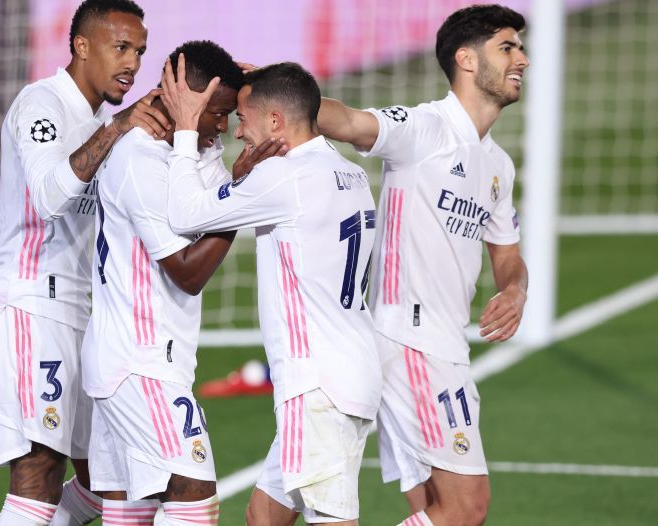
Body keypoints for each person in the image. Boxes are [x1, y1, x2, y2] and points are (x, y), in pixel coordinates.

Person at [316, 5, 530, 525]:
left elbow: (507, 254)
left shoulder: (497, 163)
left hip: (442, 345)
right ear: (466, 59)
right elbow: (347, 122)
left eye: (520, 47)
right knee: (467, 507)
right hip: (411, 343)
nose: (522, 58)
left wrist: (514, 290)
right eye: (507, 46)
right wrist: (279, 89)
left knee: (432, 509)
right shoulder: (425, 127)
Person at [0, 1, 172, 524]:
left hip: (81, 315)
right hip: (30, 302)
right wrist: (118, 129)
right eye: (121, 47)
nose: (131, 63)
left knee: (104, 482)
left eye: (140, 52)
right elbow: (48, 197)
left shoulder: (105, 121)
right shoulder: (42, 104)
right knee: (37, 473)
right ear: (81, 46)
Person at [161, 58, 382, 525]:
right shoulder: (351, 173)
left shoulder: (284, 177)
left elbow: (184, 215)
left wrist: (185, 129)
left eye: (243, 119)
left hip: (316, 386)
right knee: (264, 516)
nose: (239, 133)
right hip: (349, 372)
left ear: (276, 121)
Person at [81, 39, 282, 525]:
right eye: (215, 112)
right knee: (194, 498)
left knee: (129, 513)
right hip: (139, 362)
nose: (223, 125)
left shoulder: (194, 151)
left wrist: (251, 89)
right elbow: (188, 272)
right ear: (183, 101)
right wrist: (242, 196)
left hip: (140, 359)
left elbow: (210, 191)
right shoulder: (140, 161)